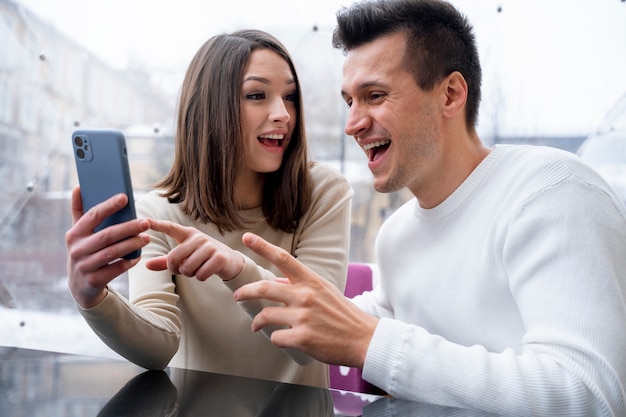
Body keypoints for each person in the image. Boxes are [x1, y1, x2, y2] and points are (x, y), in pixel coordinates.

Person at [232, 0, 626, 415]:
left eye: (375, 95)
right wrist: (233, 269)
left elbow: (589, 394)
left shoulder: (552, 191)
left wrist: (371, 343)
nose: (352, 123)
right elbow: (335, 330)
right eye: (350, 100)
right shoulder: (398, 235)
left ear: (451, 95)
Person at [65, 29, 353, 388]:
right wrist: (92, 298)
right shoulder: (160, 215)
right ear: (211, 109)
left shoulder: (324, 192)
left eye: (290, 96)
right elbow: (157, 349)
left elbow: (313, 340)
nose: (283, 114)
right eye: (256, 95)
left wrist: (237, 269)